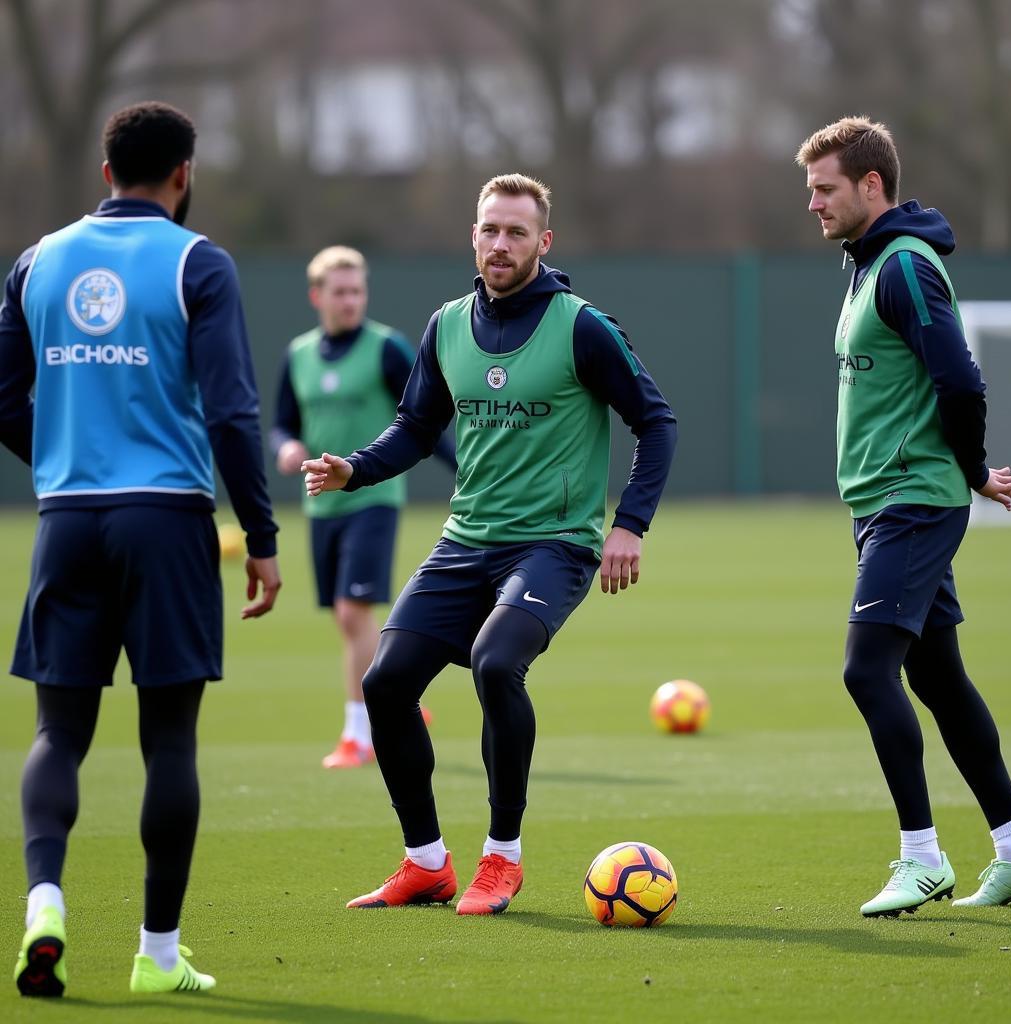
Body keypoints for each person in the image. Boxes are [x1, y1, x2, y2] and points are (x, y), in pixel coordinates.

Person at [303, 172, 677, 916]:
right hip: (464, 542)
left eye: (516, 231)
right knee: (383, 683)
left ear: (544, 241)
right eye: (489, 230)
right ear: (472, 237)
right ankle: (427, 863)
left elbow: (656, 421)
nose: (500, 243)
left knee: (495, 661)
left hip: (553, 544)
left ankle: (502, 857)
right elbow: (415, 427)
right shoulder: (445, 324)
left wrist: (629, 524)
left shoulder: (581, 326)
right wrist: (357, 468)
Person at [0, 101, 282, 996]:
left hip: (68, 520)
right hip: (166, 521)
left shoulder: (36, 261)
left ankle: (45, 901)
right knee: (170, 743)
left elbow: (5, 397)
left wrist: (58, 453)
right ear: (183, 174)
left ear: (104, 169)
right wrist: (264, 537)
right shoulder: (199, 262)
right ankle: (158, 955)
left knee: (58, 733)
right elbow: (234, 413)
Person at [796, 116, 1011, 917]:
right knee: (938, 677)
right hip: (887, 502)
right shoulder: (866, 264)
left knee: (867, 671)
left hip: (913, 501)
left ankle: (921, 857)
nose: (813, 204)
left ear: (870, 185)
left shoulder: (902, 267)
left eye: (825, 189)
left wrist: (963, 473)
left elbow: (961, 382)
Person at [272, 246, 454, 768]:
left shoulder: (387, 349)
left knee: (355, 612)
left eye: (357, 291)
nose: (350, 301)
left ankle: (360, 735)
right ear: (317, 297)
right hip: (320, 507)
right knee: (347, 619)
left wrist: (465, 469)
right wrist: (284, 445)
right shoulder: (299, 355)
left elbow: (423, 422)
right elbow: (282, 421)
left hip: (373, 498)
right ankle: (403, 700)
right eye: (340, 292)